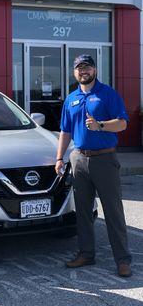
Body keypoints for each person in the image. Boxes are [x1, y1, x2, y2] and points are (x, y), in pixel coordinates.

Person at [55, 54, 132, 278]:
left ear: (95, 70)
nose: (83, 71)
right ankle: (86, 253)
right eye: (79, 68)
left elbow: (122, 123)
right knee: (83, 211)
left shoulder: (107, 94)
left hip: (104, 159)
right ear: (74, 72)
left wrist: (100, 126)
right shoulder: (71, 99)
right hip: (79, 159)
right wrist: (60, 157)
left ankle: (123, 259)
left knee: (113, 211)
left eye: (87, 67)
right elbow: (65, 131)